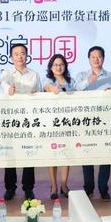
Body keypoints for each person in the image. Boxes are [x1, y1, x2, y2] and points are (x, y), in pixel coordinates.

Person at [75, 46, 111, 201]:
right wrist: (88, 81)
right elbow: (75, 90)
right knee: (87, 154)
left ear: (103, 59)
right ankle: (88, 188)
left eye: (99, 57)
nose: (96, 59)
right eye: (93, 57)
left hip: (106, 121)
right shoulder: (81, 75)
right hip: (86, 121)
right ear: (88, 59)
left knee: (105, 155)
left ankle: (103, 189)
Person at [0, 44, 41, 200]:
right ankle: (10, 187)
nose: (20, 57)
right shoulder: (6, 73)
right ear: (11, 57)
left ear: (27, 56)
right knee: (10, 153)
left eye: (22, 53)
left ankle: (28, 188)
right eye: (16, 54)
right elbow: (4, 86)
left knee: (29, 153)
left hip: (29, 119)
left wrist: (36, 95)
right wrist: (9, 89)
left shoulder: (34, 74)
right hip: (11, 119)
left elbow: (39, 94)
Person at [43, 54, 76, 200]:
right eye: (55, 65)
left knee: (66, 154)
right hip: (51, 123)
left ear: (65, 67)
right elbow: (47, 87)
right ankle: (54, 186)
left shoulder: (71, 81)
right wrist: (52, 88)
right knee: (52, 155)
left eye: (61, 64)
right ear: (51, 67)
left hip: (68, 123)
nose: (58, 67)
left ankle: (64, 185)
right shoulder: (47, 80)